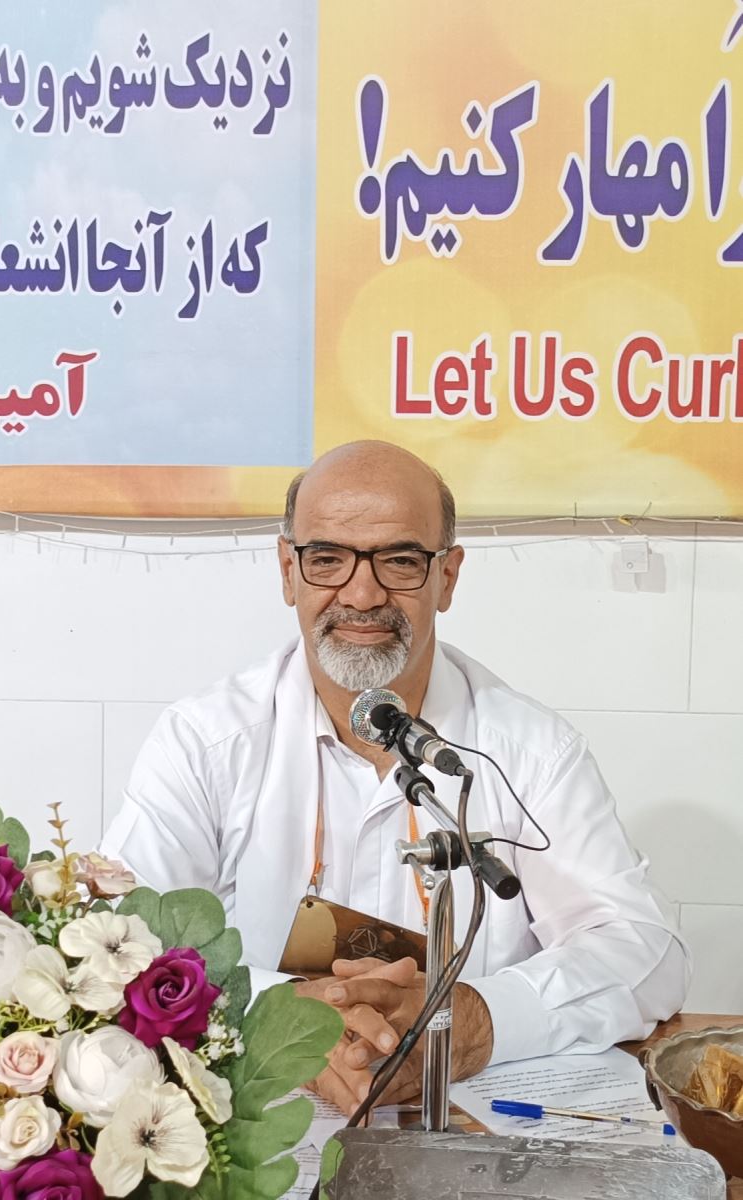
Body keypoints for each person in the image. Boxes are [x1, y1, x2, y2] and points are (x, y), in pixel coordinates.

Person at [101, 440, 690, 1114]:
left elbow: (646, 954)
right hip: (265, 1118)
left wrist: (476, 1019)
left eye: (401, 561)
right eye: (327, 558)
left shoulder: (529, 750)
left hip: (467, 1120)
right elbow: (117, 939)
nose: (362, 594)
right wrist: (288, 1017)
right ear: (288, 571)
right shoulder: (206, 741)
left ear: (448, 577)